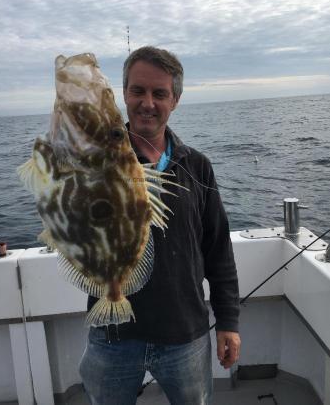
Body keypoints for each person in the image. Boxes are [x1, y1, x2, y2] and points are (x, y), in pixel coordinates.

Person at [79, 46, 241, 404]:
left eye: (159, 93)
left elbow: (218, 249)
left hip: (186, 335)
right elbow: (74, 231)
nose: (147, 103)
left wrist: (228, 321)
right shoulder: (94, 162)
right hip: (112, 334)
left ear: (175, 100)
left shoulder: (197, 167)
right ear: (124, 94)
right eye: (138, 91)